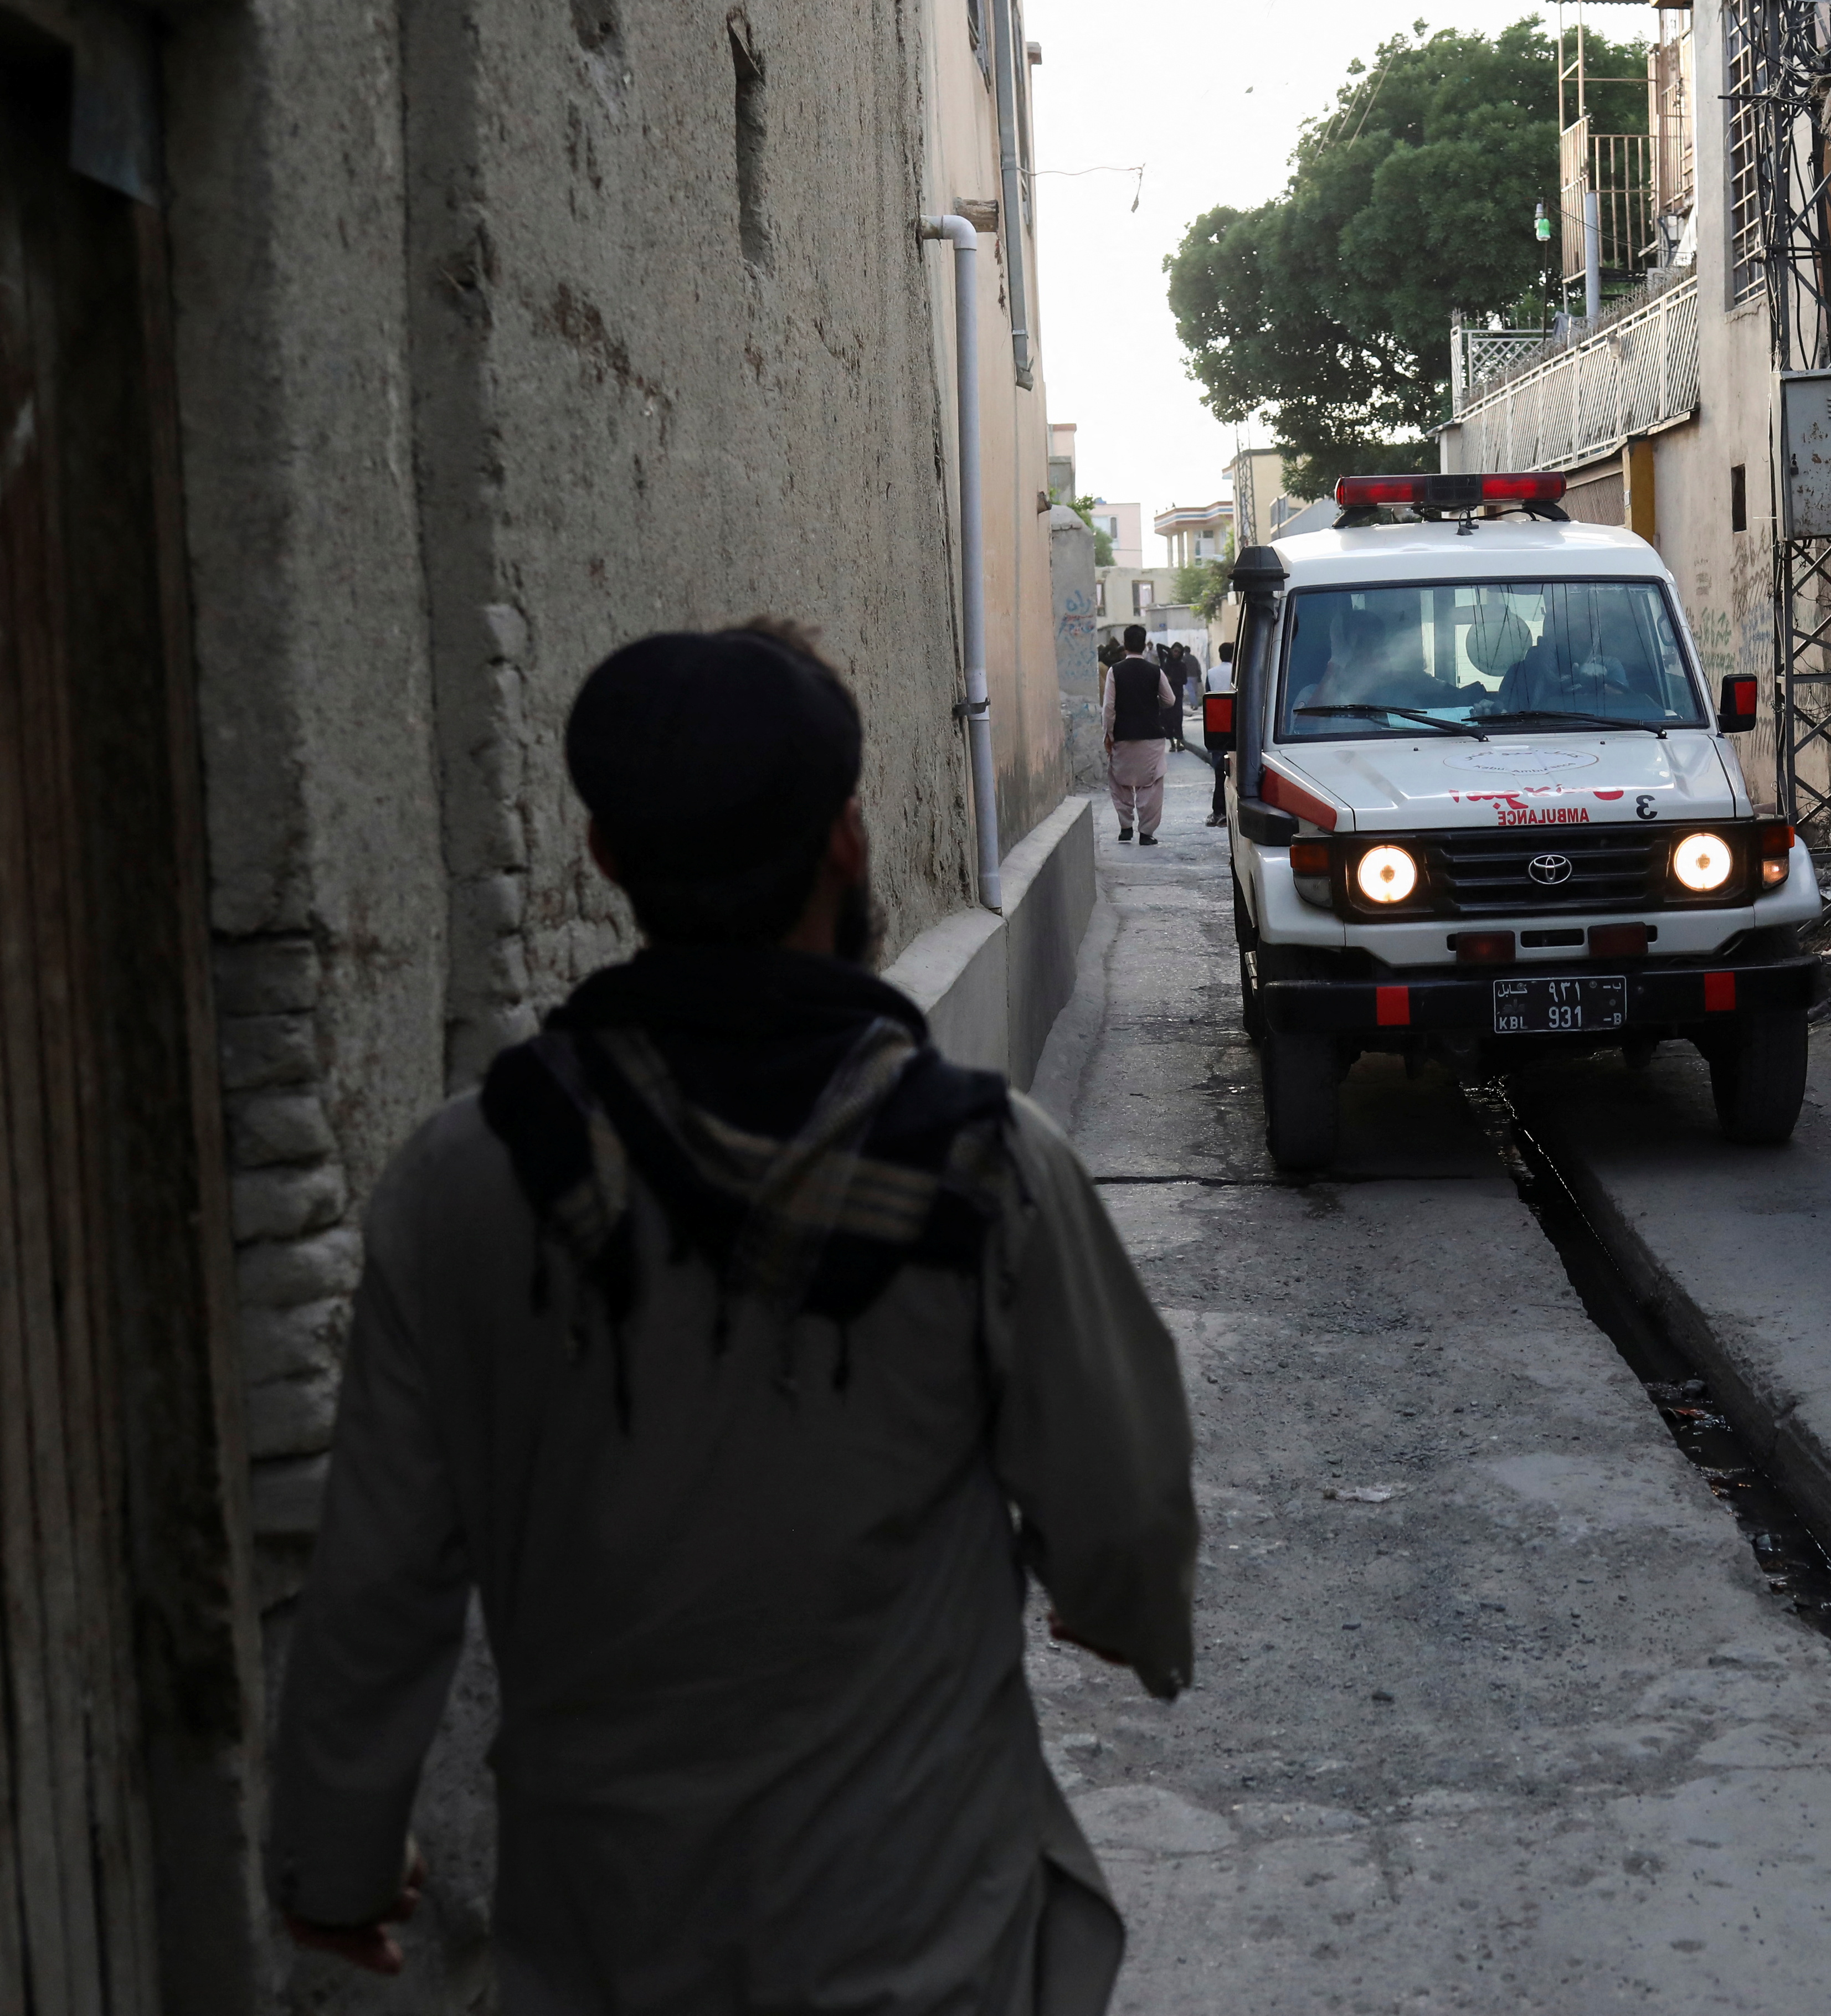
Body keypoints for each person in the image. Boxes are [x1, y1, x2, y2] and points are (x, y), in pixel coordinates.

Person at [265, 622, 1197, 2014]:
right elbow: (1120, 1500)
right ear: (845, 837)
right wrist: (1126, 1608)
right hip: (925, 1937)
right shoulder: (982, 1163)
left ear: (605, 858)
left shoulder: (464, 1176)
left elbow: (379, 1573)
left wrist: (333, 1858)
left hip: (607, 1939)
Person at [1104, 625, 1174, 845]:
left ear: (1125, 645)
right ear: (1145, 646)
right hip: (1151, 736)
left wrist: (1109, 734)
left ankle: (1126, 828)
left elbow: (1109, 707)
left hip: (1123, 735)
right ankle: (1146, 833)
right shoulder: (1156, 671)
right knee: (1151, 785)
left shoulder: (1114, 671)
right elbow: (1170, 700)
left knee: (1121, 782)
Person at [1202, 637, 1237, 827]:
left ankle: (1219, 811)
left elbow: (1207, 697)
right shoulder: (1237, 671)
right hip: (1237, 722)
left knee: (1219, 770)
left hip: (1218, 723)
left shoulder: (1212, 673)